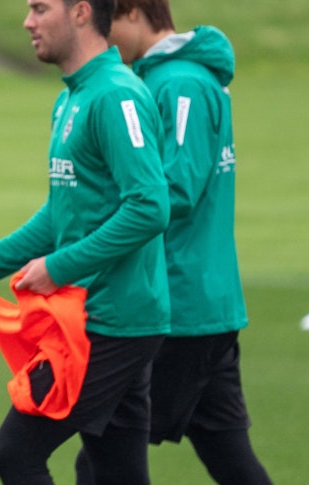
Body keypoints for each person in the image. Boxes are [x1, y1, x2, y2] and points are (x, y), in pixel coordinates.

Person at [0, 0, 171, 483]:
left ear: (82, 11)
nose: (28, 22)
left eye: (40, 8)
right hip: (99, 315)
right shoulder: (70, 99)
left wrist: (58, 267)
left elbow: (150, 206)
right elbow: (60, 213)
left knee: (16, 453)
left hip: (114, 320)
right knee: (116, 471)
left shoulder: (116, 96)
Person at [77, 1, 274, 483]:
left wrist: (96, 218)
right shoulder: (169, 77)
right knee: (227, 453)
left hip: (180, 306)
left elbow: (177, 190)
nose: (103, 41)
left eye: (108, 26)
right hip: (202, 303)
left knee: (102, 453)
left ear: (135, 13)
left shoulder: (180, 83)